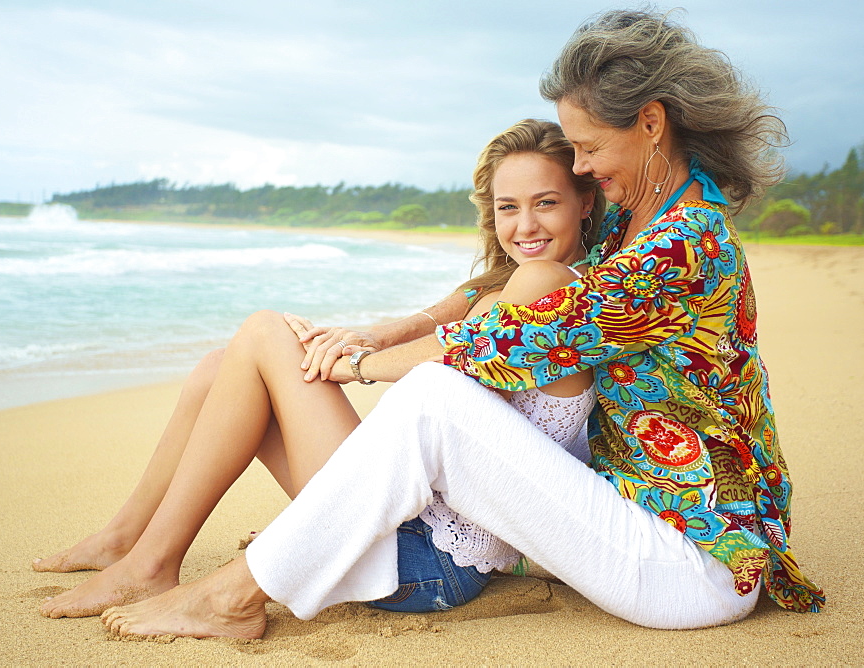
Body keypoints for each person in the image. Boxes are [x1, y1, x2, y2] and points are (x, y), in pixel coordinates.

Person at [99, 8, 824, 640]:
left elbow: (523, 334)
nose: (580, 164)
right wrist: (386, 332)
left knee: (435, 397)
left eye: (590, 148)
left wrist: (353, 364)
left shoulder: (681, 247)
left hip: (689, 566)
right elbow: (506, 284)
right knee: (410, 392)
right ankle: (150, 549)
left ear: (651, 122)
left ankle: (232, 594)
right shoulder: (640, 218)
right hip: (634, 520)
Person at [35, 118, 603, 618]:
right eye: (509, 207)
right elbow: (453, 318)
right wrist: (355, 346)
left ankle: (150, 564)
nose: (525, 224)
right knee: (219, 369)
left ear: (584, 202)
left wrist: (357, 364)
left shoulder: (548, 284)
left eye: (545, 202)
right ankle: (125, 538)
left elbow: (458, 361)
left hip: (426, 561)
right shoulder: (514, 282)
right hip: (400, 514)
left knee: (264, 333)